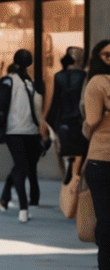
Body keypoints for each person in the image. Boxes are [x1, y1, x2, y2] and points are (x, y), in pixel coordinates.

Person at [0, 49, 49, 220]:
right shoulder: (17, 82)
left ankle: (5, 198)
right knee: (22, 167)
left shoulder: (24, 82)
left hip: (25, 131)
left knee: (21, 166)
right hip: (18, 131)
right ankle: (23, 208)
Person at [78, 39, 110, 270]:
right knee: (106, 220)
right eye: (108, 55)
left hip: (103, 158)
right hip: (102, 159)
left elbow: (92, 121)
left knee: (107, 220)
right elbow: (92, 120)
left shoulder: (98, 84)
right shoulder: (98, 83)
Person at [48, 49, 88, 186]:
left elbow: (55, 102)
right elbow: (84, 102)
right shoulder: (83, 76)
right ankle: (75, 179)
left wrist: (49, 123)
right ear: (79, 59)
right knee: (80, 154)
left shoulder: (58, 76)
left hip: (62, 121)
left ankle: (67, 176)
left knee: (64, 153)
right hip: (78, 121)